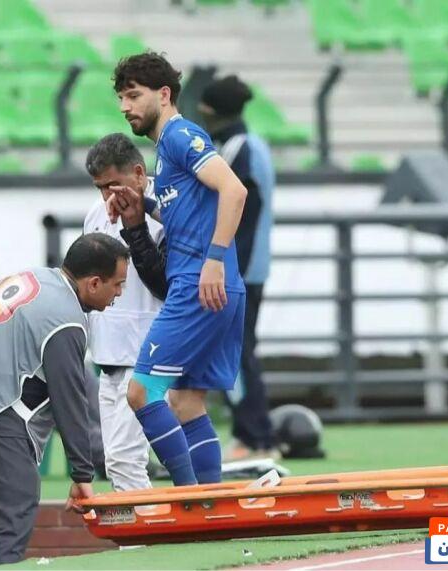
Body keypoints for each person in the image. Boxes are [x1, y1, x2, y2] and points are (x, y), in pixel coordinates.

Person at [113, 52, 248, 486]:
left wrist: (213, 260)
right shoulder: (166, 148)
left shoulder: (179, 135)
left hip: (198, 285)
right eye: (121, 98)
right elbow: (189, 214)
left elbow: (234, 190)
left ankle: (188, 498)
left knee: (141, 392)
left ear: (164, 94)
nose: (125, 106)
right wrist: (143, 207)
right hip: (218, 287)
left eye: (133, 95)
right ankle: (209, 503)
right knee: (186, 402)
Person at [0, 233, 129, 565]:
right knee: (6, 532)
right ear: (93, 283)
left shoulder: (28, 277)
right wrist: (82, 473)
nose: (119, 293)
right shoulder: (66, 320)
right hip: (2, 424)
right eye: (118, 284)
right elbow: (70, 400)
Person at [198, 75, 277, 460]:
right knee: (240, 351)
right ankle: (259, 435)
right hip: (248, 266)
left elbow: (244, 211)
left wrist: (226, 267)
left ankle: (253, 437)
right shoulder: (249, 144)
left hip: (239, 269)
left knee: (235, 353)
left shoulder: (238, 148)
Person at [84, 133, 164, 491]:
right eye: (100, 187)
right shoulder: (95, 214)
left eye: (112, 185)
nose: (107, 196)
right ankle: (144, 526)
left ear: (139, 173)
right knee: (117, 460)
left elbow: (165, 284)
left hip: (148, 353)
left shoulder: (166, 211)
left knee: (123, 458)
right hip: (108, 356)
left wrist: (137, 226)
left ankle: (144, 527)